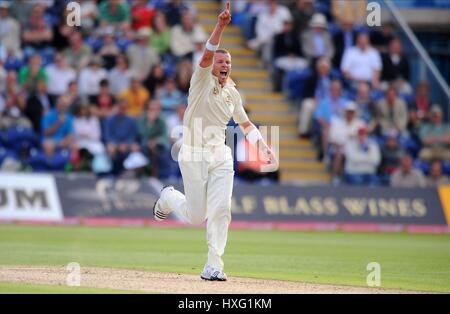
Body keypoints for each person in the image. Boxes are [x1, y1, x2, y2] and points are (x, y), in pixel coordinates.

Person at [152, 3, 278, 282]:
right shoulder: (200, 79)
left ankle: (213, 265)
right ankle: (169, 196)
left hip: (220, 154)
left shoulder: (232, 93)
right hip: (193, 153)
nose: (225, 66)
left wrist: (262, 146)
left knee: (221, 210)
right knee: (197, 217)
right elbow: (208, 53)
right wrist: (220, 26)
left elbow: (244, 124)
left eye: (228, 64)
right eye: (221, 63)